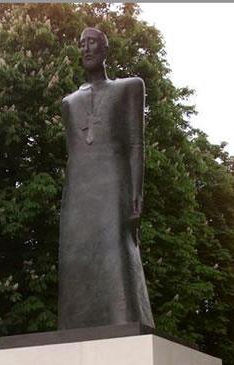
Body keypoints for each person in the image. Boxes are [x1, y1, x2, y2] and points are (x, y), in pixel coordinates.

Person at [58, 27, 154, 330]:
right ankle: (75, 326)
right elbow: (73, 149)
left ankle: (123, 322)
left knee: (116, 254)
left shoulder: (129, 87)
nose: (87, 49)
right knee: (76, 257)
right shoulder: (69, 102)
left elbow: (135, 144)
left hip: (114, 184)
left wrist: (136, 192)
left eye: (93, 43)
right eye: (82, 44)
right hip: (78, 189)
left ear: (105, 50)